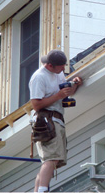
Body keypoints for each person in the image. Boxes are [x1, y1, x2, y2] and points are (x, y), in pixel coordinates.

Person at [30, 50, 82, 193]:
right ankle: (42, 190)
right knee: (51, 159)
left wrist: (74, 85)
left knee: (51, 160)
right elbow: (36, 105)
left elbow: (66, 92)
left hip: (56, 119)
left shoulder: (58, 74)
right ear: (50, 66)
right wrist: (58, 96)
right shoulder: (39, 77)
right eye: (61, 66)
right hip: (46, 120)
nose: (64, 69)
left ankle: (38, 190)